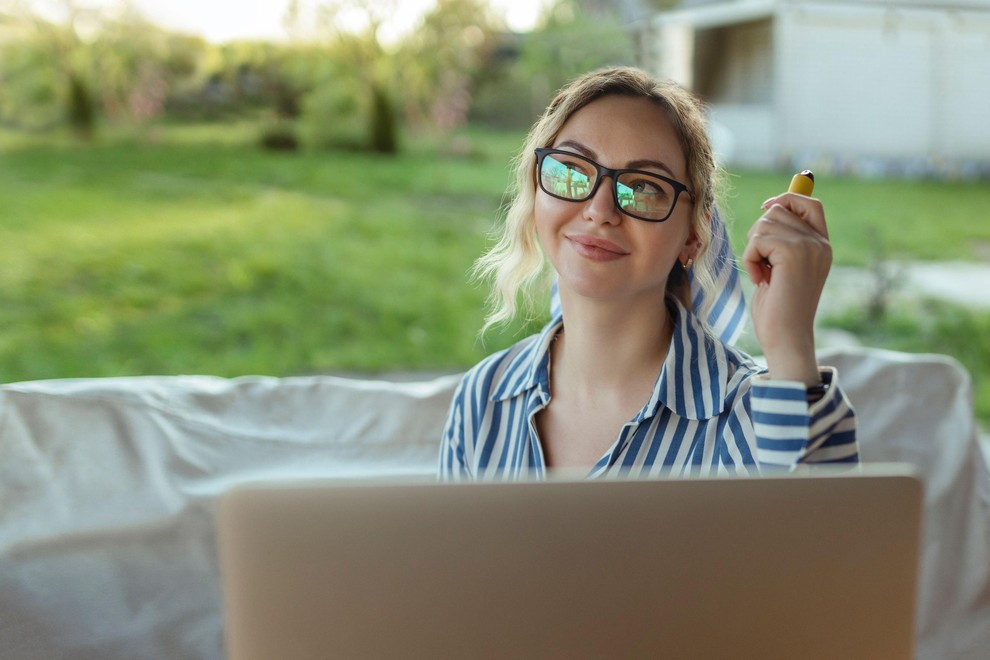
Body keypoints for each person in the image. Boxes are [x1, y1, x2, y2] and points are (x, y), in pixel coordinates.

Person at [439, 66, 857, 480]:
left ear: (694, 235)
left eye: (644, 188)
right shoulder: (483, 401)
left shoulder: (750, 418)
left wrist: (790, 343)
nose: (599, 211)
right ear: (536, 194)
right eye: (571, 170)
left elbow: (833, 544)